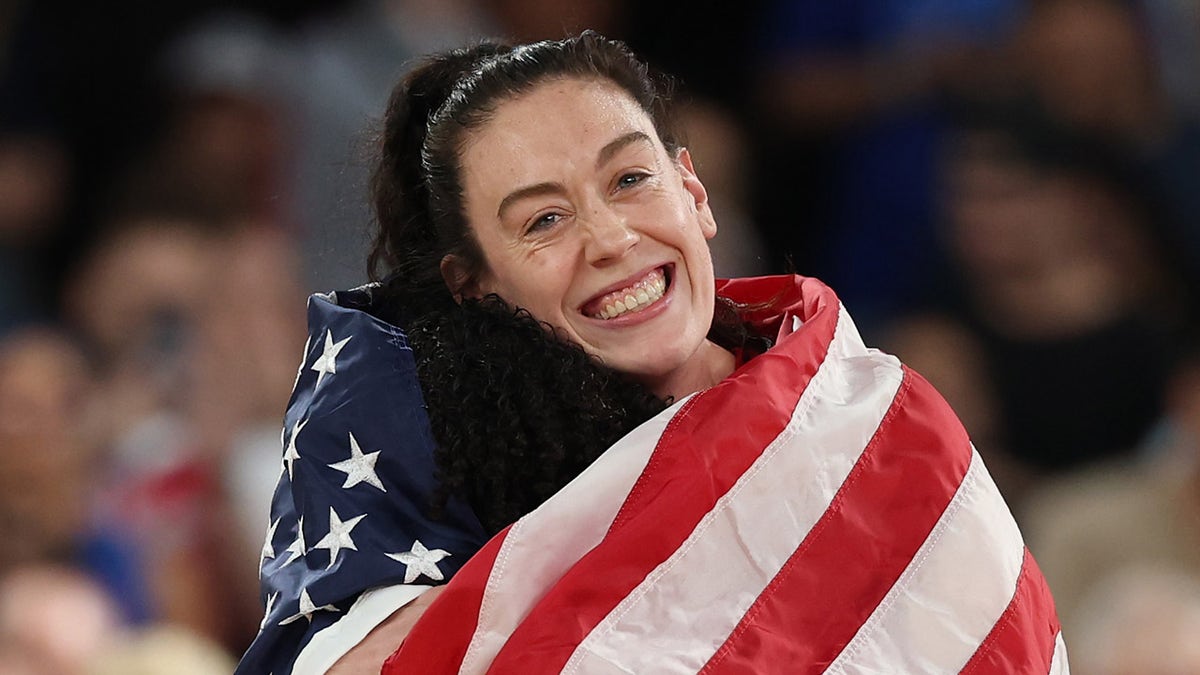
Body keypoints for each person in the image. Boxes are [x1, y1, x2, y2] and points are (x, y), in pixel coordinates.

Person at [237, 32, 1066, 674]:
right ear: (476, 289)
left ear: (695, 193)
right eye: (543, 221)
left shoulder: (885, 423)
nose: (610, 238)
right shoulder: (439, 474)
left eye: (630, 180)